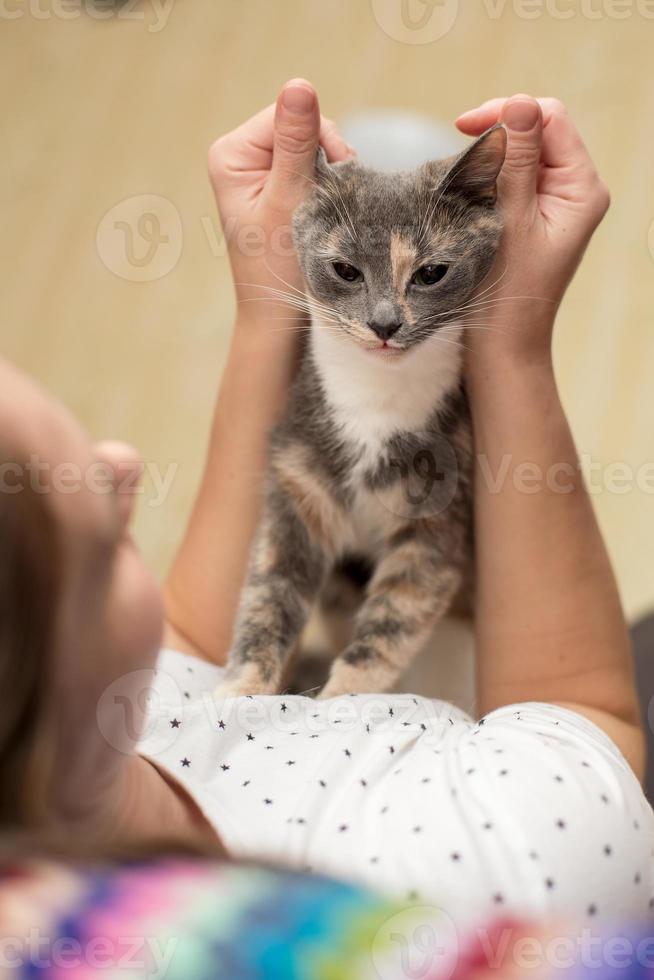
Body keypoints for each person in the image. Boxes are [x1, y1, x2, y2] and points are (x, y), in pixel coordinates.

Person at [0, 79, 650, 953]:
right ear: (59, 654)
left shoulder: (133, 720)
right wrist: (516, 340)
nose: (121, 470)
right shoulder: (494, 868)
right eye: (84, 512)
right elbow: (584, 712)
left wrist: (267, 305)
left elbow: (196, 636)